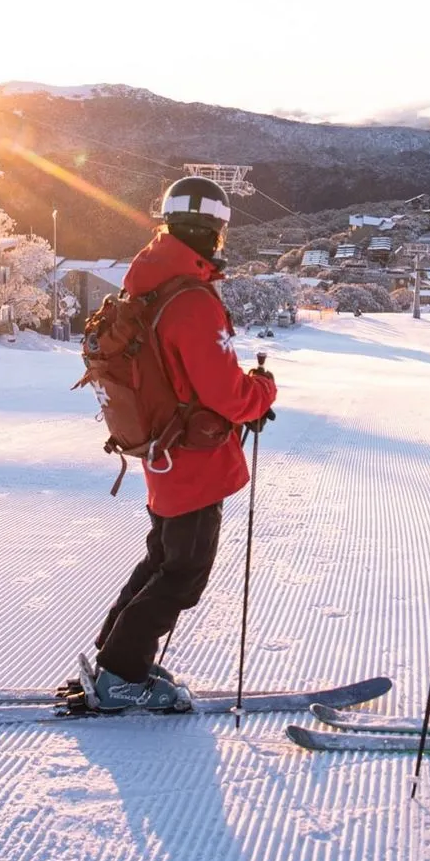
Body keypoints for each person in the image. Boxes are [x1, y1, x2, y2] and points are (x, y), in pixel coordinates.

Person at [91, 176, 278, 712]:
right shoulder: (191, 300)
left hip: (161, 449)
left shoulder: (150, 280)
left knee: (163, 559)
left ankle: (115, 658)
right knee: (184, 573)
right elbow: (227, 391)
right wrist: (262, 392)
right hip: (191, 458)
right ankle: (121, 675)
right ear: (217, 230)